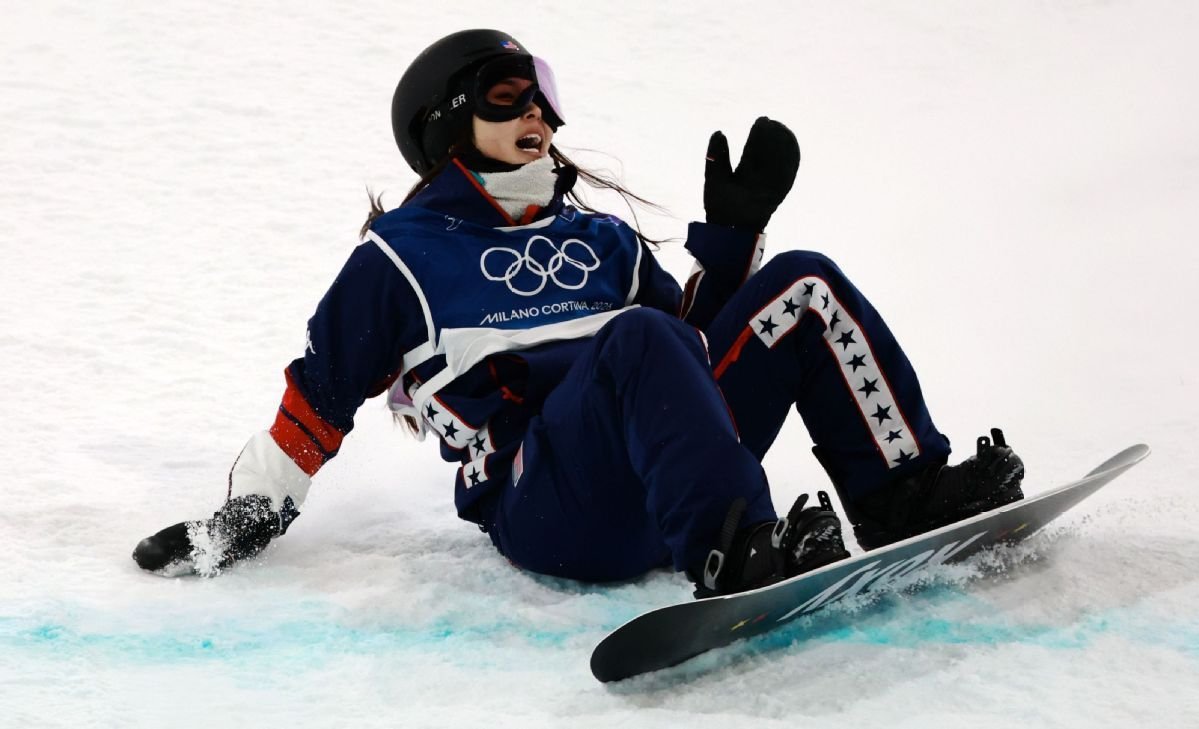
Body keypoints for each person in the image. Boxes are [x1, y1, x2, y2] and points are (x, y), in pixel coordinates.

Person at [133, 29, 1025, 598]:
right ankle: (735, 548)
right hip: (550, 504)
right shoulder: (401, 257)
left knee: (803, 282)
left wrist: (734, 245)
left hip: (661, 476)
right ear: (451, 124)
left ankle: (898, 493)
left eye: (542, 94)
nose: (537, 114)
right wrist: (247, 515)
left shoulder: (600, 237)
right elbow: (320, 392)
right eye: (506, 97)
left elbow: (690, 360)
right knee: (634, 338)